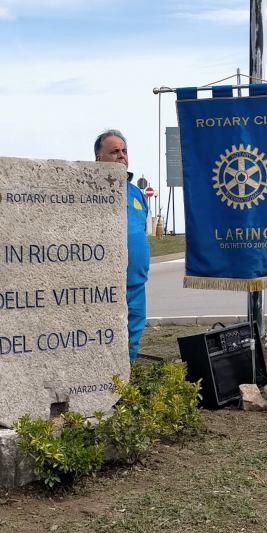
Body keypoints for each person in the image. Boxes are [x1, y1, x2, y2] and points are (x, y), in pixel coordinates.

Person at [94, 130, 150, 361]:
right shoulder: (89, 192)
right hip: (105, 285)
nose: (121, 156)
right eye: (114, 151)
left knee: (132, 336)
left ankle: (129, 379)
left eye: (124, 151)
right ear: (99, 158)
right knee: (105, 340)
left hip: (136, 283)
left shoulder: (136, 193)